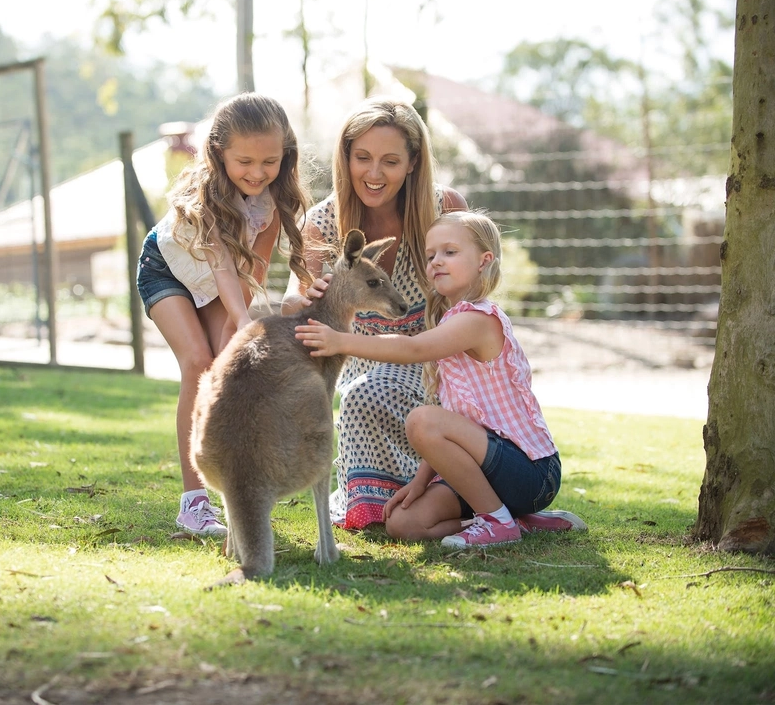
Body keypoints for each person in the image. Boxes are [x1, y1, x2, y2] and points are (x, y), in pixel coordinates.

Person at [295, 210, 586, 548]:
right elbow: (459, 421)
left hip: (530, 474)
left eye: (450, 252)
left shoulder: (478, 318)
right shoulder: (450, 320)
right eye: (430, 255)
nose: (436, 261)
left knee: (422, 420)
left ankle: (496, 521)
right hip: (487, 472)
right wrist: (420, 484)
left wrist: (341, 340)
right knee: (403, 524)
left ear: (483, 260)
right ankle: (514, 520)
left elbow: (415, 348)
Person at [281, 96, 467, 530]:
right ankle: (380, 504)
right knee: (363, 390)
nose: (374, 173)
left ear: (413, 163)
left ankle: (445, 494)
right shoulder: (324, 221)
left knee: (367, 392)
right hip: (361, 361)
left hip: (433, 361)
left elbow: (476, 294)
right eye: (361, 158)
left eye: (390, 161)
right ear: (345, 158)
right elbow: (292, 298)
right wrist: (310, 294)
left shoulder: (445, 208)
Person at [136, 92, 313, 536]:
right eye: (245, 161)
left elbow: (251, 270)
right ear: (219, 153)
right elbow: (219, 264)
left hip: (224, 283)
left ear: (284, 155)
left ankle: (239, 492)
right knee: (198, 363)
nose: (257, 173)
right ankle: (193, 502)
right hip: (167, 271)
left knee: (226, 372)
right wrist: (241, 317)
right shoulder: (211, 194)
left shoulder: (273, 201)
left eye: (269, 162)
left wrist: (242, 323)